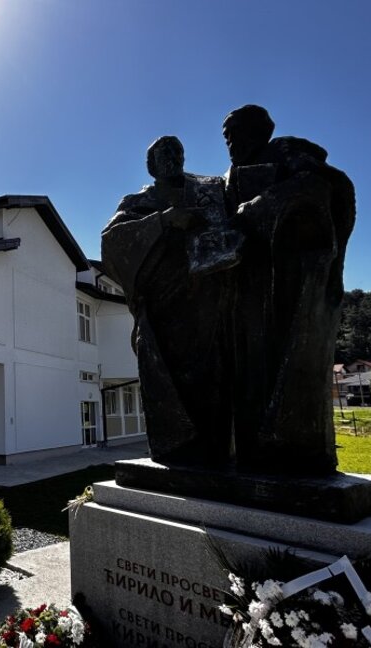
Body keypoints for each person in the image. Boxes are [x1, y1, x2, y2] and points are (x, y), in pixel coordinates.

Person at [222, 104, 355, 474]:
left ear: (260, 130)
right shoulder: (227, 176)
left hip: (287, 279)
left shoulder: (288, 154)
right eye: (226, 136)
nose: (230, 142)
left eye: (236, 132)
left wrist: (257, 208)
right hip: (244, 285)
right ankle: (252, 449)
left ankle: (295, 451)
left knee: (285, 358)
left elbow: (318, 187)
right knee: (247, 367)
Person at [101, 135, 236, 467]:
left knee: (213, 375)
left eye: (177, 152)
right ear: (151, 166)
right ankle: (176, 449)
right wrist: (163, 220)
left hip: (206, 300)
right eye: (164, 155)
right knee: (167, 377)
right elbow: (112, 243)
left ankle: (217, 449)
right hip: (163, 307)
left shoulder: (207, 190)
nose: (172, 158)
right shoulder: (137, 202)